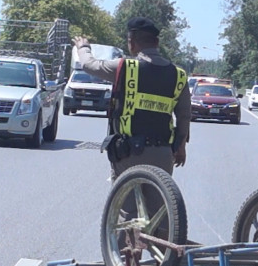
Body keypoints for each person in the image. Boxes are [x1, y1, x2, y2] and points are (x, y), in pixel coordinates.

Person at [71, 17, 191, 180]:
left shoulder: (124, 67)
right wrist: (181, 147)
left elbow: (88, 64)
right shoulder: (179, 75)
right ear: (156, 42)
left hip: (130, 153)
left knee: (124, 204)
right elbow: (184, 116)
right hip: (163, 153)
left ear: (131, 43)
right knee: (159, 203)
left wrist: (83, 47)